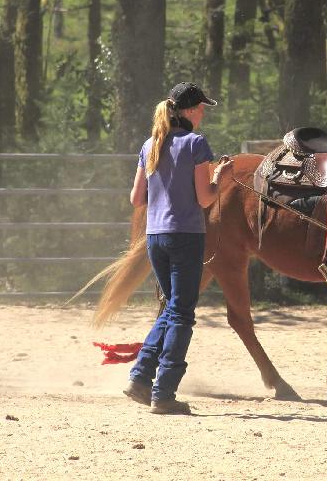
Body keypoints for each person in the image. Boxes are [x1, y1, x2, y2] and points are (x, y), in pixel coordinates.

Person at [123, 82, 233, 415]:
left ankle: (141, 377)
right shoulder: (196, 144)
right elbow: (205, 198)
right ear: (186, 111)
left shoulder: (150, 144)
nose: (202, 114)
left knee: (172, 307)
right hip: (185, 234)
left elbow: (136, 199)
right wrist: (221, 177)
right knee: (182, 313)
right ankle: (164, 393)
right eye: (200, 108)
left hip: (155, 236)